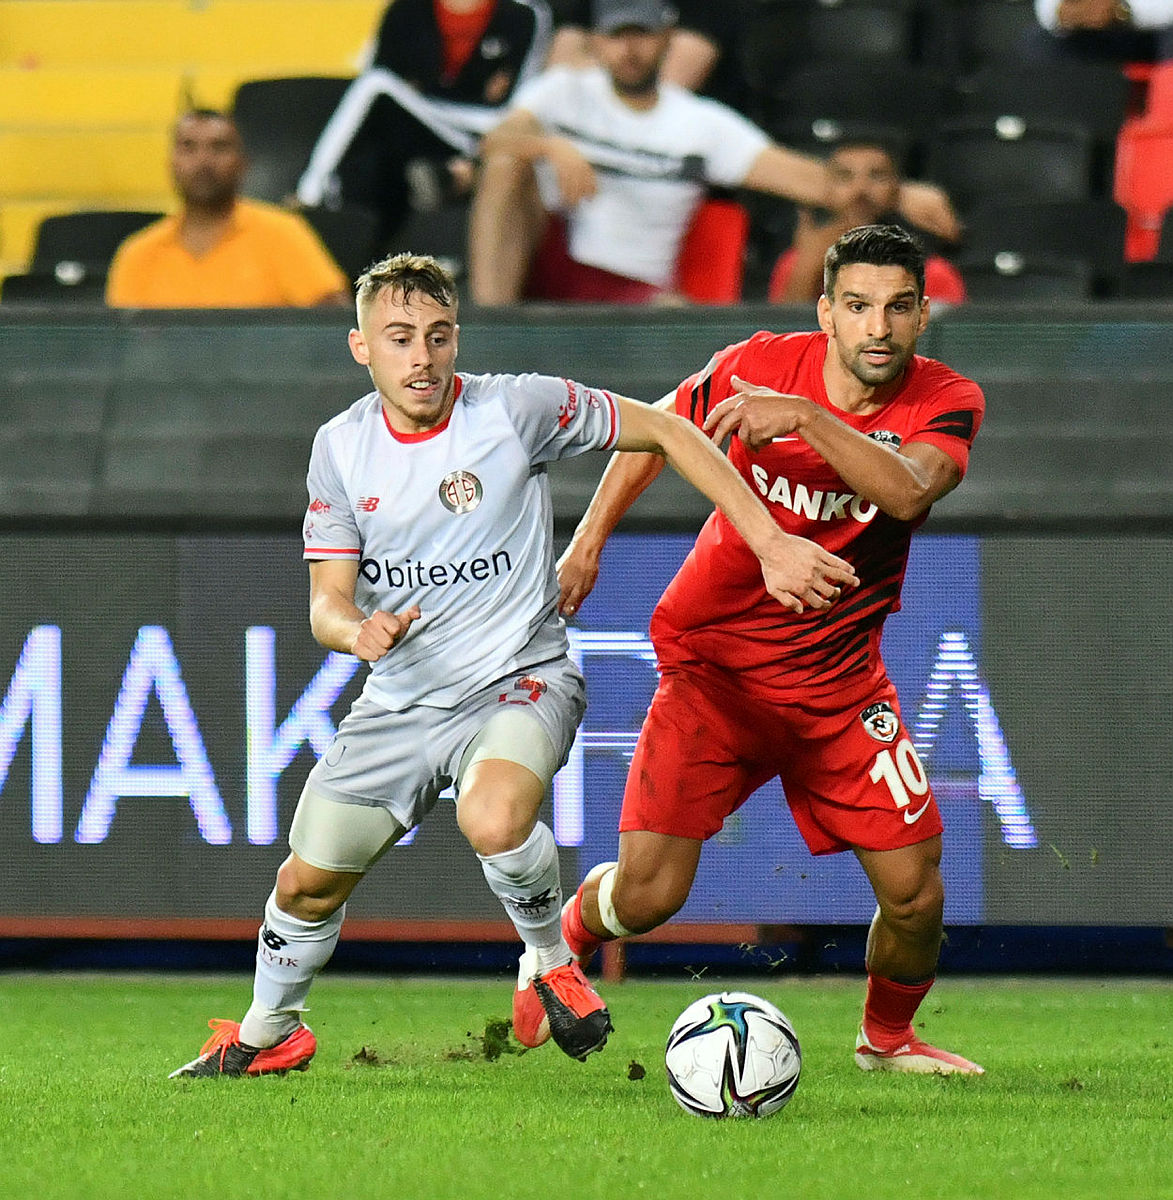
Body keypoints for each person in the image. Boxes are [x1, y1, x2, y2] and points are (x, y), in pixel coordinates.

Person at [169, 251, 859, 1078]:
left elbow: (669, 427)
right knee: (307, 883)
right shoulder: (341, 448)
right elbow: (325, 599)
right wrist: (356, 634)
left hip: (520, 680)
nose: (420, 357)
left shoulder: (517, 408)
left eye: (436, 335)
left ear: (457, 336)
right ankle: (269, 1032)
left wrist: (769, 538)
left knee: (493, 819)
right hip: (400, 701)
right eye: (399, 339)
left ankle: (549, 961)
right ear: (361, 348)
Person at [558, 225, 988, 1075]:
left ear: (922, 315)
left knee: (915, 895)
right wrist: (587, 542)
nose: (877, 328)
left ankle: (885, 1042)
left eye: (897, 308)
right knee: (646, 899)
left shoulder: (947, 400)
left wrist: (803, 418)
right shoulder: (755, 362)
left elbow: (906, 491)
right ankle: (558, 944)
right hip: (713, 671)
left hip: (835, 685)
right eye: (857, 307)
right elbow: (655, 432)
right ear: (824, 311)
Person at [468, 0, 960, 306]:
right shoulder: (563, 92)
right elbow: (493, 143)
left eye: (641, 33)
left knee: (675, 316)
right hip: (553, 264)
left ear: (666, 38)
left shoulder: (700, 124)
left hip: (638, 288)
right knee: (509, 164)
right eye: (617, 36)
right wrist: (553, 146)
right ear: (596, 42)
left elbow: (808, 179)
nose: (630, 49)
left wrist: (897, 193)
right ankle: (494, 326)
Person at [296, 0, 553, 248]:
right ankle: (327, 204)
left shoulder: (524, 15)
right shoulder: (404, 10)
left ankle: (309, 194)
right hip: (419, 120)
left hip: (484, 128)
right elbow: (385, 79)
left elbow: (524, 98)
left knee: (375, 87)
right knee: (375, 115)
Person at [106, 110, 348, 309]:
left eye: (219, 147)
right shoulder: (138, 254)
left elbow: (331, 318)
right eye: (189, 147)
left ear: (243, 163)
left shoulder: (282, 233)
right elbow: (120, 348)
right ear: (171, 163)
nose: (203, 161)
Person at [769, 141, 967, 309]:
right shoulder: (795, 263)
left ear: (897, 191)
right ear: (826, 190)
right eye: (845, 176)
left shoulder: (931, 270)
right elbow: (785, 341)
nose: (860, 189)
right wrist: (806, 268)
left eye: (877, 176)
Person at [1029, 0, 1173, 62]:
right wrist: (1061, 11)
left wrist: (1121, 10)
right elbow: (1049, 8)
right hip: (1081, 32)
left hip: (1149, 34)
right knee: (1036, 44)